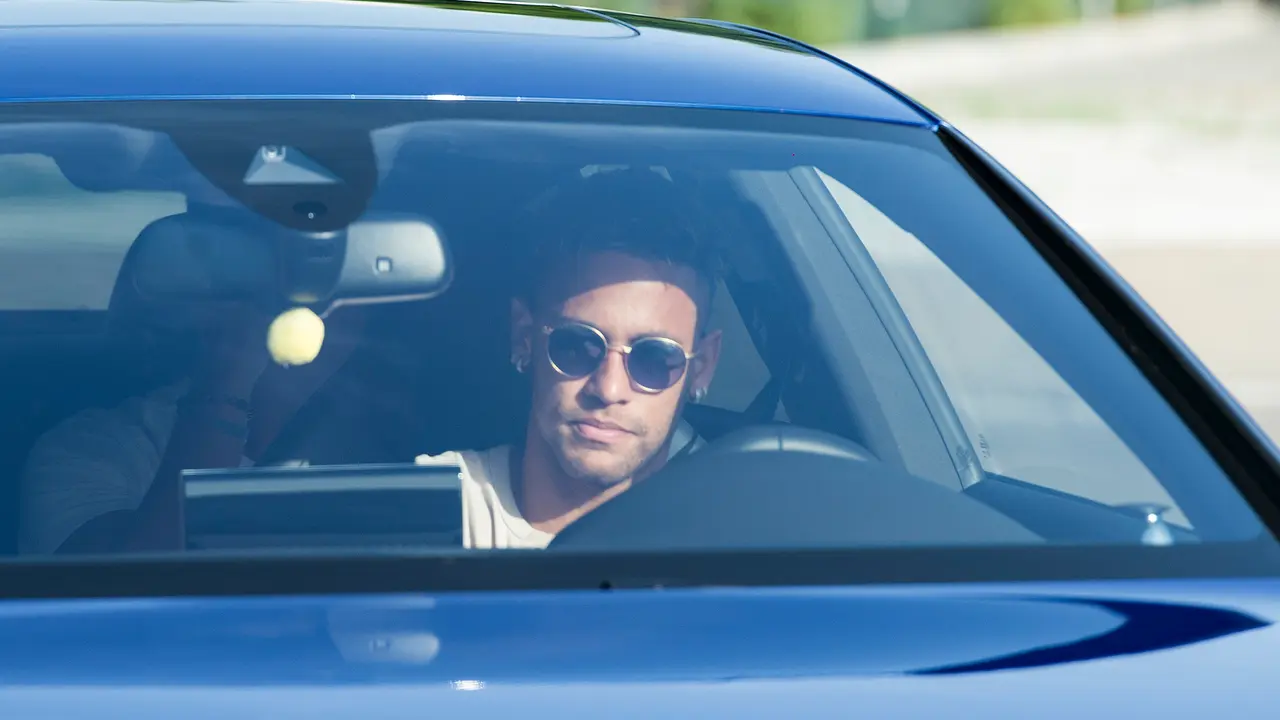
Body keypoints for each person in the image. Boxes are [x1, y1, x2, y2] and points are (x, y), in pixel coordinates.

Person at [416, 168, 724, 549]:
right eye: (577, 346)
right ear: (524, 337)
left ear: (702, 365)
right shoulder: (433, 512)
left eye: (654, 358)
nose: (609, 388)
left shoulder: (742, 527)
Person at [18, 300, 371, 555]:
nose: (320, 312)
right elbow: (131, 587)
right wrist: (227, 381)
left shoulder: (384, 441)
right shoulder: (93, 448)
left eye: (342, 295)